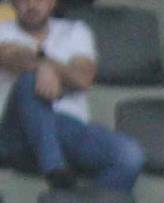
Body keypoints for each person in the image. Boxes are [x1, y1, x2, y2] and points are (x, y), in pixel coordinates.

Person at [0, 0, 142, 192]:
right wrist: (42, 69)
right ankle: (55, 170)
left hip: (68, 129)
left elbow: (83, 78)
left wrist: (44, 64)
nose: (31, 4)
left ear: (51, 3)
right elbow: (11, 57)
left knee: (129, 156)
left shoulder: (75, 31)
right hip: (16, 134)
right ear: (13, 3)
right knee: (29, 81)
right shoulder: (2, 31)